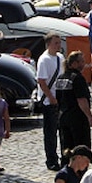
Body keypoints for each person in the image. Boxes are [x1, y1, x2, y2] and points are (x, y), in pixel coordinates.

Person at [37, 33, 65, 170]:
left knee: (63, 131)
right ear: (49, 44)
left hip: (60, 98)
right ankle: (51, 159)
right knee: (50, 133)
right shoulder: (44, 60)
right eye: (56, 43)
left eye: (59, 43)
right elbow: (42, 81)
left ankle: (64, 156)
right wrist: (51, 98)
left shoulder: (60, 57)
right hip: (49, 101)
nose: (59, 46)